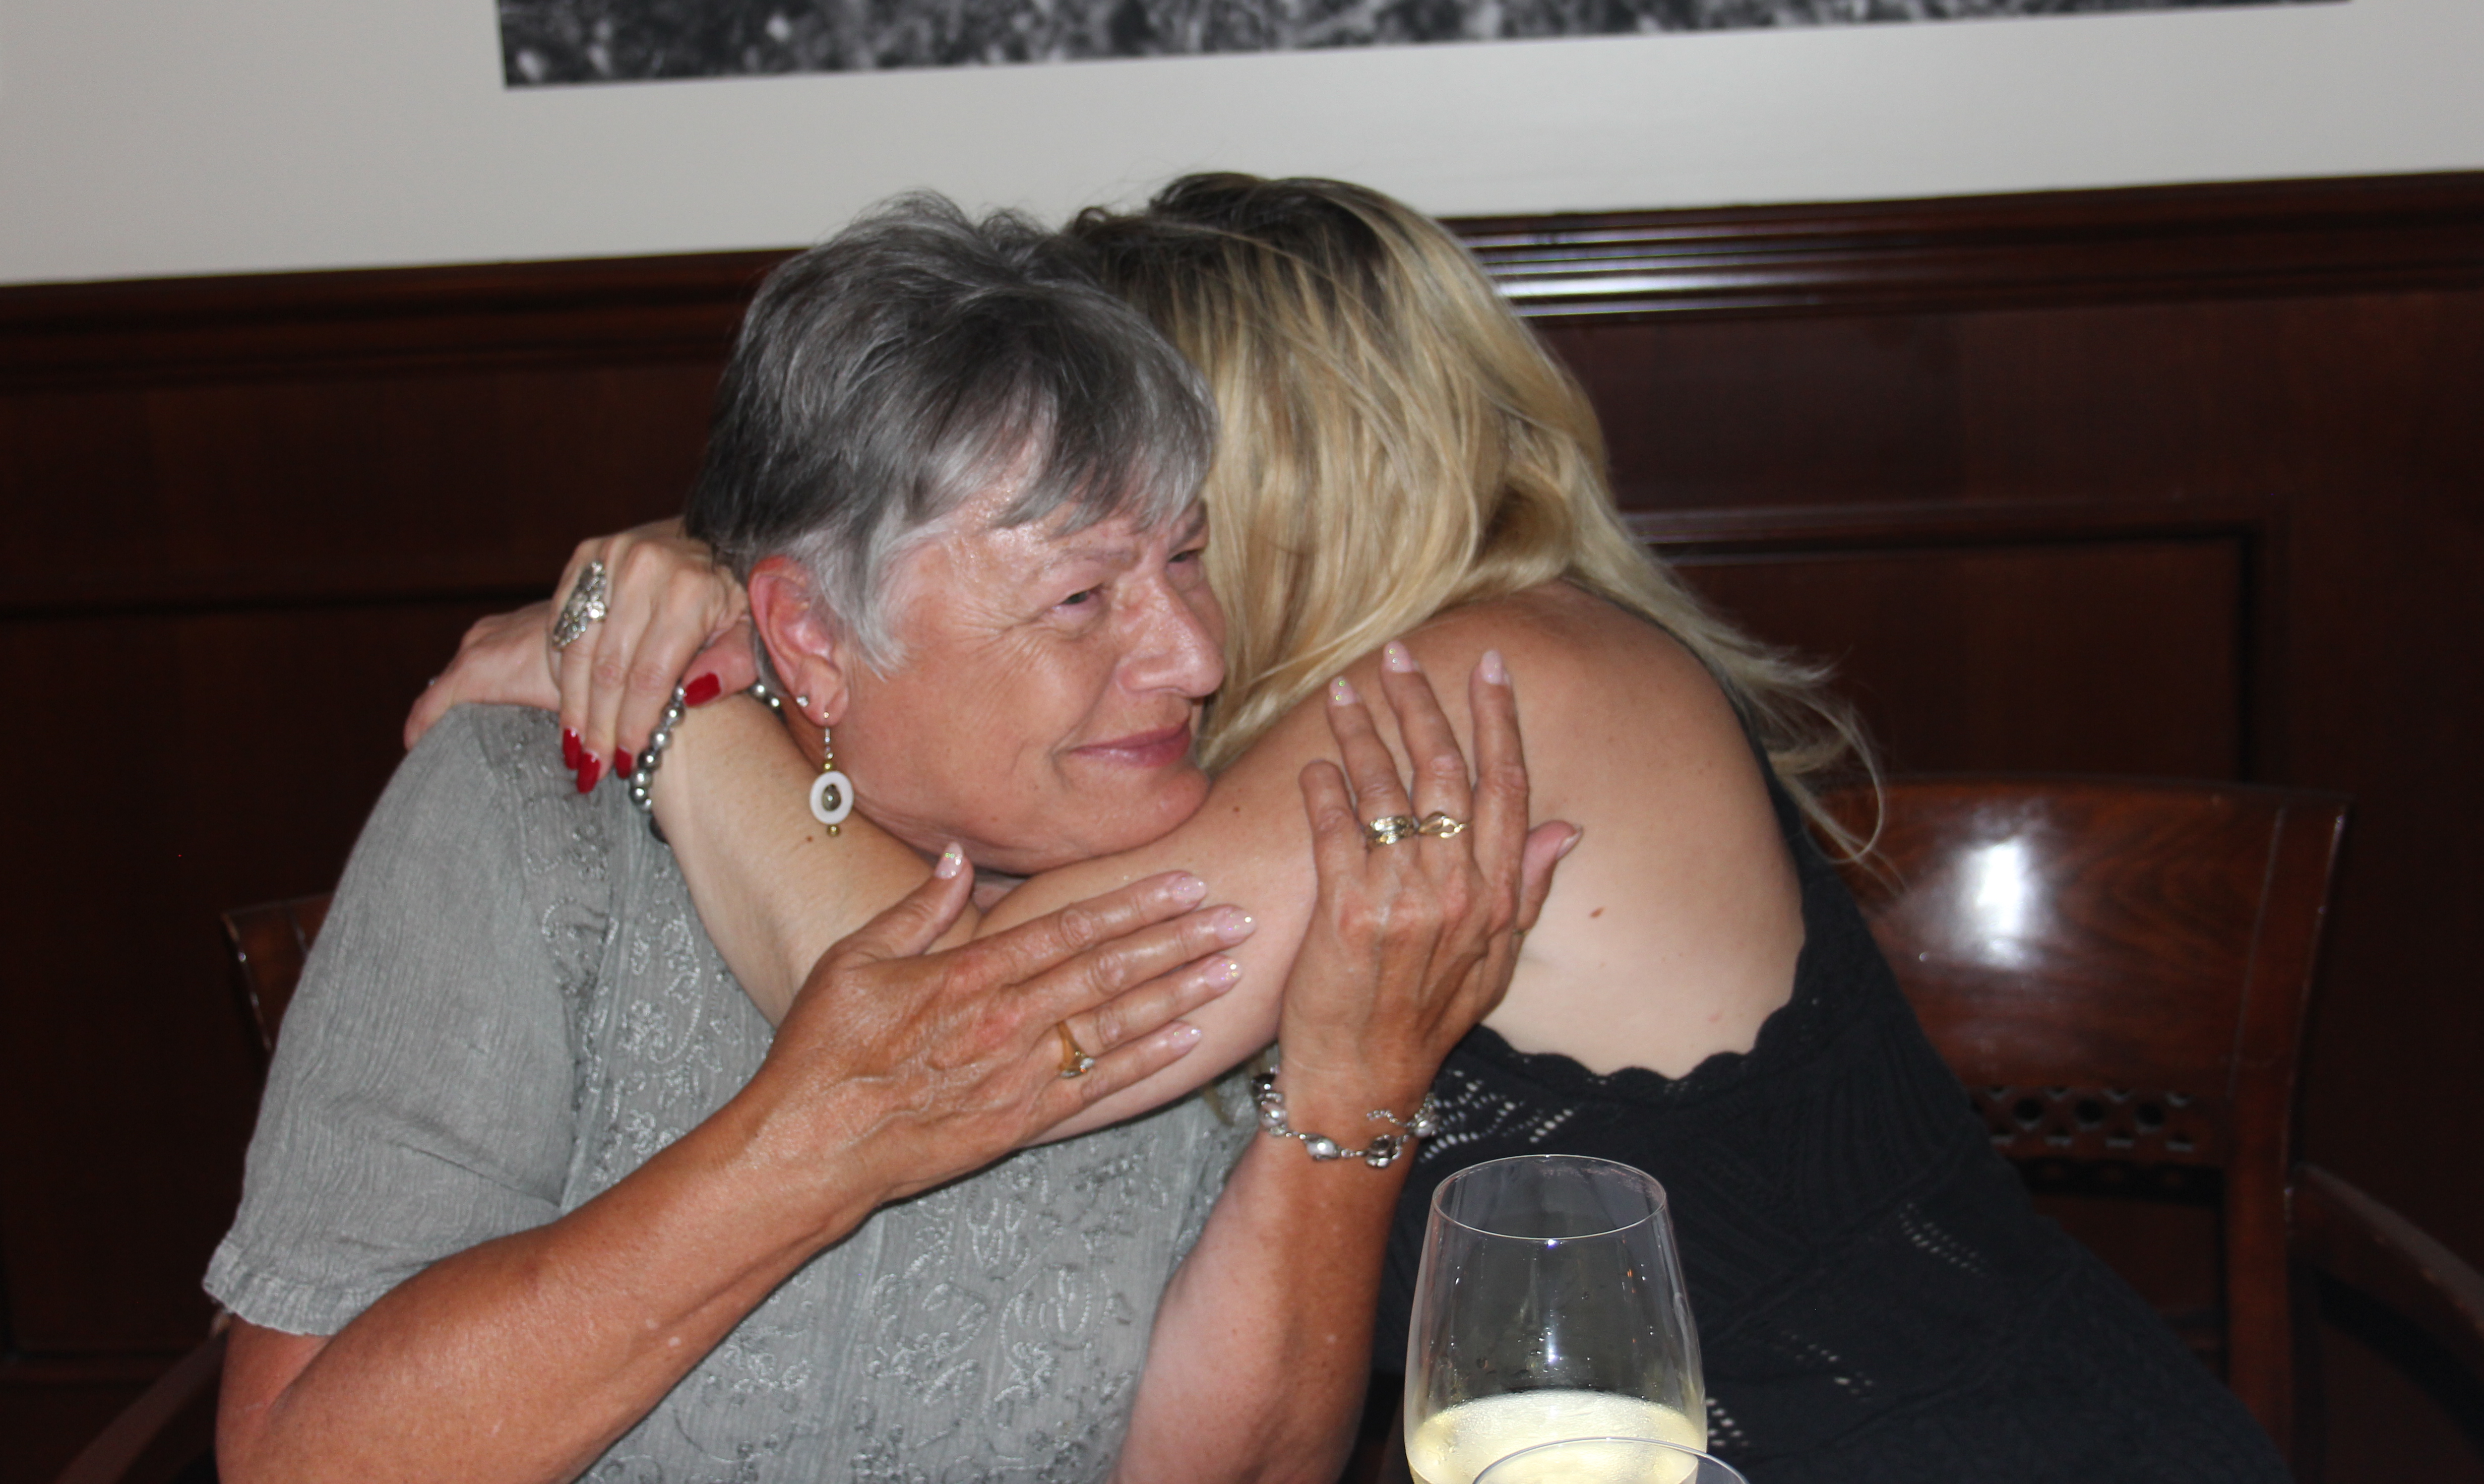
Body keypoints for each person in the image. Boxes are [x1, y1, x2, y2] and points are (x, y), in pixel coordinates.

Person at [422, 174, 2292, 1482]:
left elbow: (972, 1031)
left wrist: (684, 704)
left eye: (1144, 486)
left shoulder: (1503, 682)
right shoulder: (1296, 739)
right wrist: (720, 587)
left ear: (1265, 474)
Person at [208, 196, 1564, 1483]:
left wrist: (1350, 1094)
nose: (1196, 658)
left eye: (1187, 557)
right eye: (1083, 596)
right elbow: (298, 1462)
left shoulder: (1237, 874)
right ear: (811, 637)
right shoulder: (534, 825)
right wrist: (817, 1146)